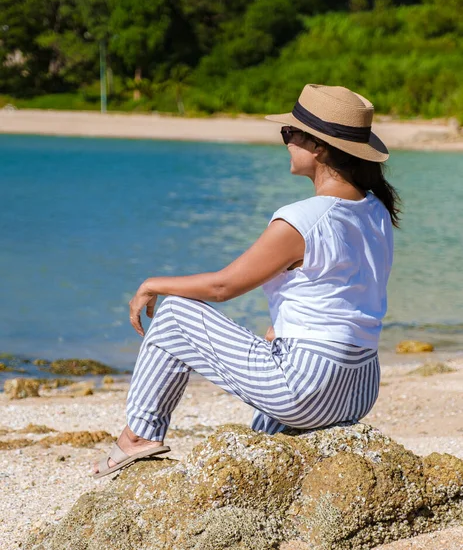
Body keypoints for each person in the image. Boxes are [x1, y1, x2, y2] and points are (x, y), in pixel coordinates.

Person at [93, 83, 400, 479]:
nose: (285, 142)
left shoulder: (303, 219)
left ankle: (138, 436)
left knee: (174, 315)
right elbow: (336, 297)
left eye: (290, 134)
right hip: (359, 389)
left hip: (310, 386)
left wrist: (153, 283)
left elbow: (223, 287)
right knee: (273, 337)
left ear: (319, 147)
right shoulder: (376, 209)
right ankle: (263, 460)